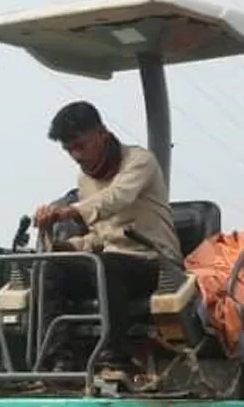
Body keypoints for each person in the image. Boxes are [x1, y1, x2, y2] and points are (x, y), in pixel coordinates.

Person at [32, 101, 181, 368]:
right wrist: (66, 246)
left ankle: (117, 358)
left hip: (154, 263)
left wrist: (69, 212)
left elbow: (116, 198)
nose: (76, 156)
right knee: (50, 268)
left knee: (107, 267)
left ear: (101, 133)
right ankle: (58, 360)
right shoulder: (84, 180)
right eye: (68, 150)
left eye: (80, 145)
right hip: (112, 261)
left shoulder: (140, 162)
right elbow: (103, 237)